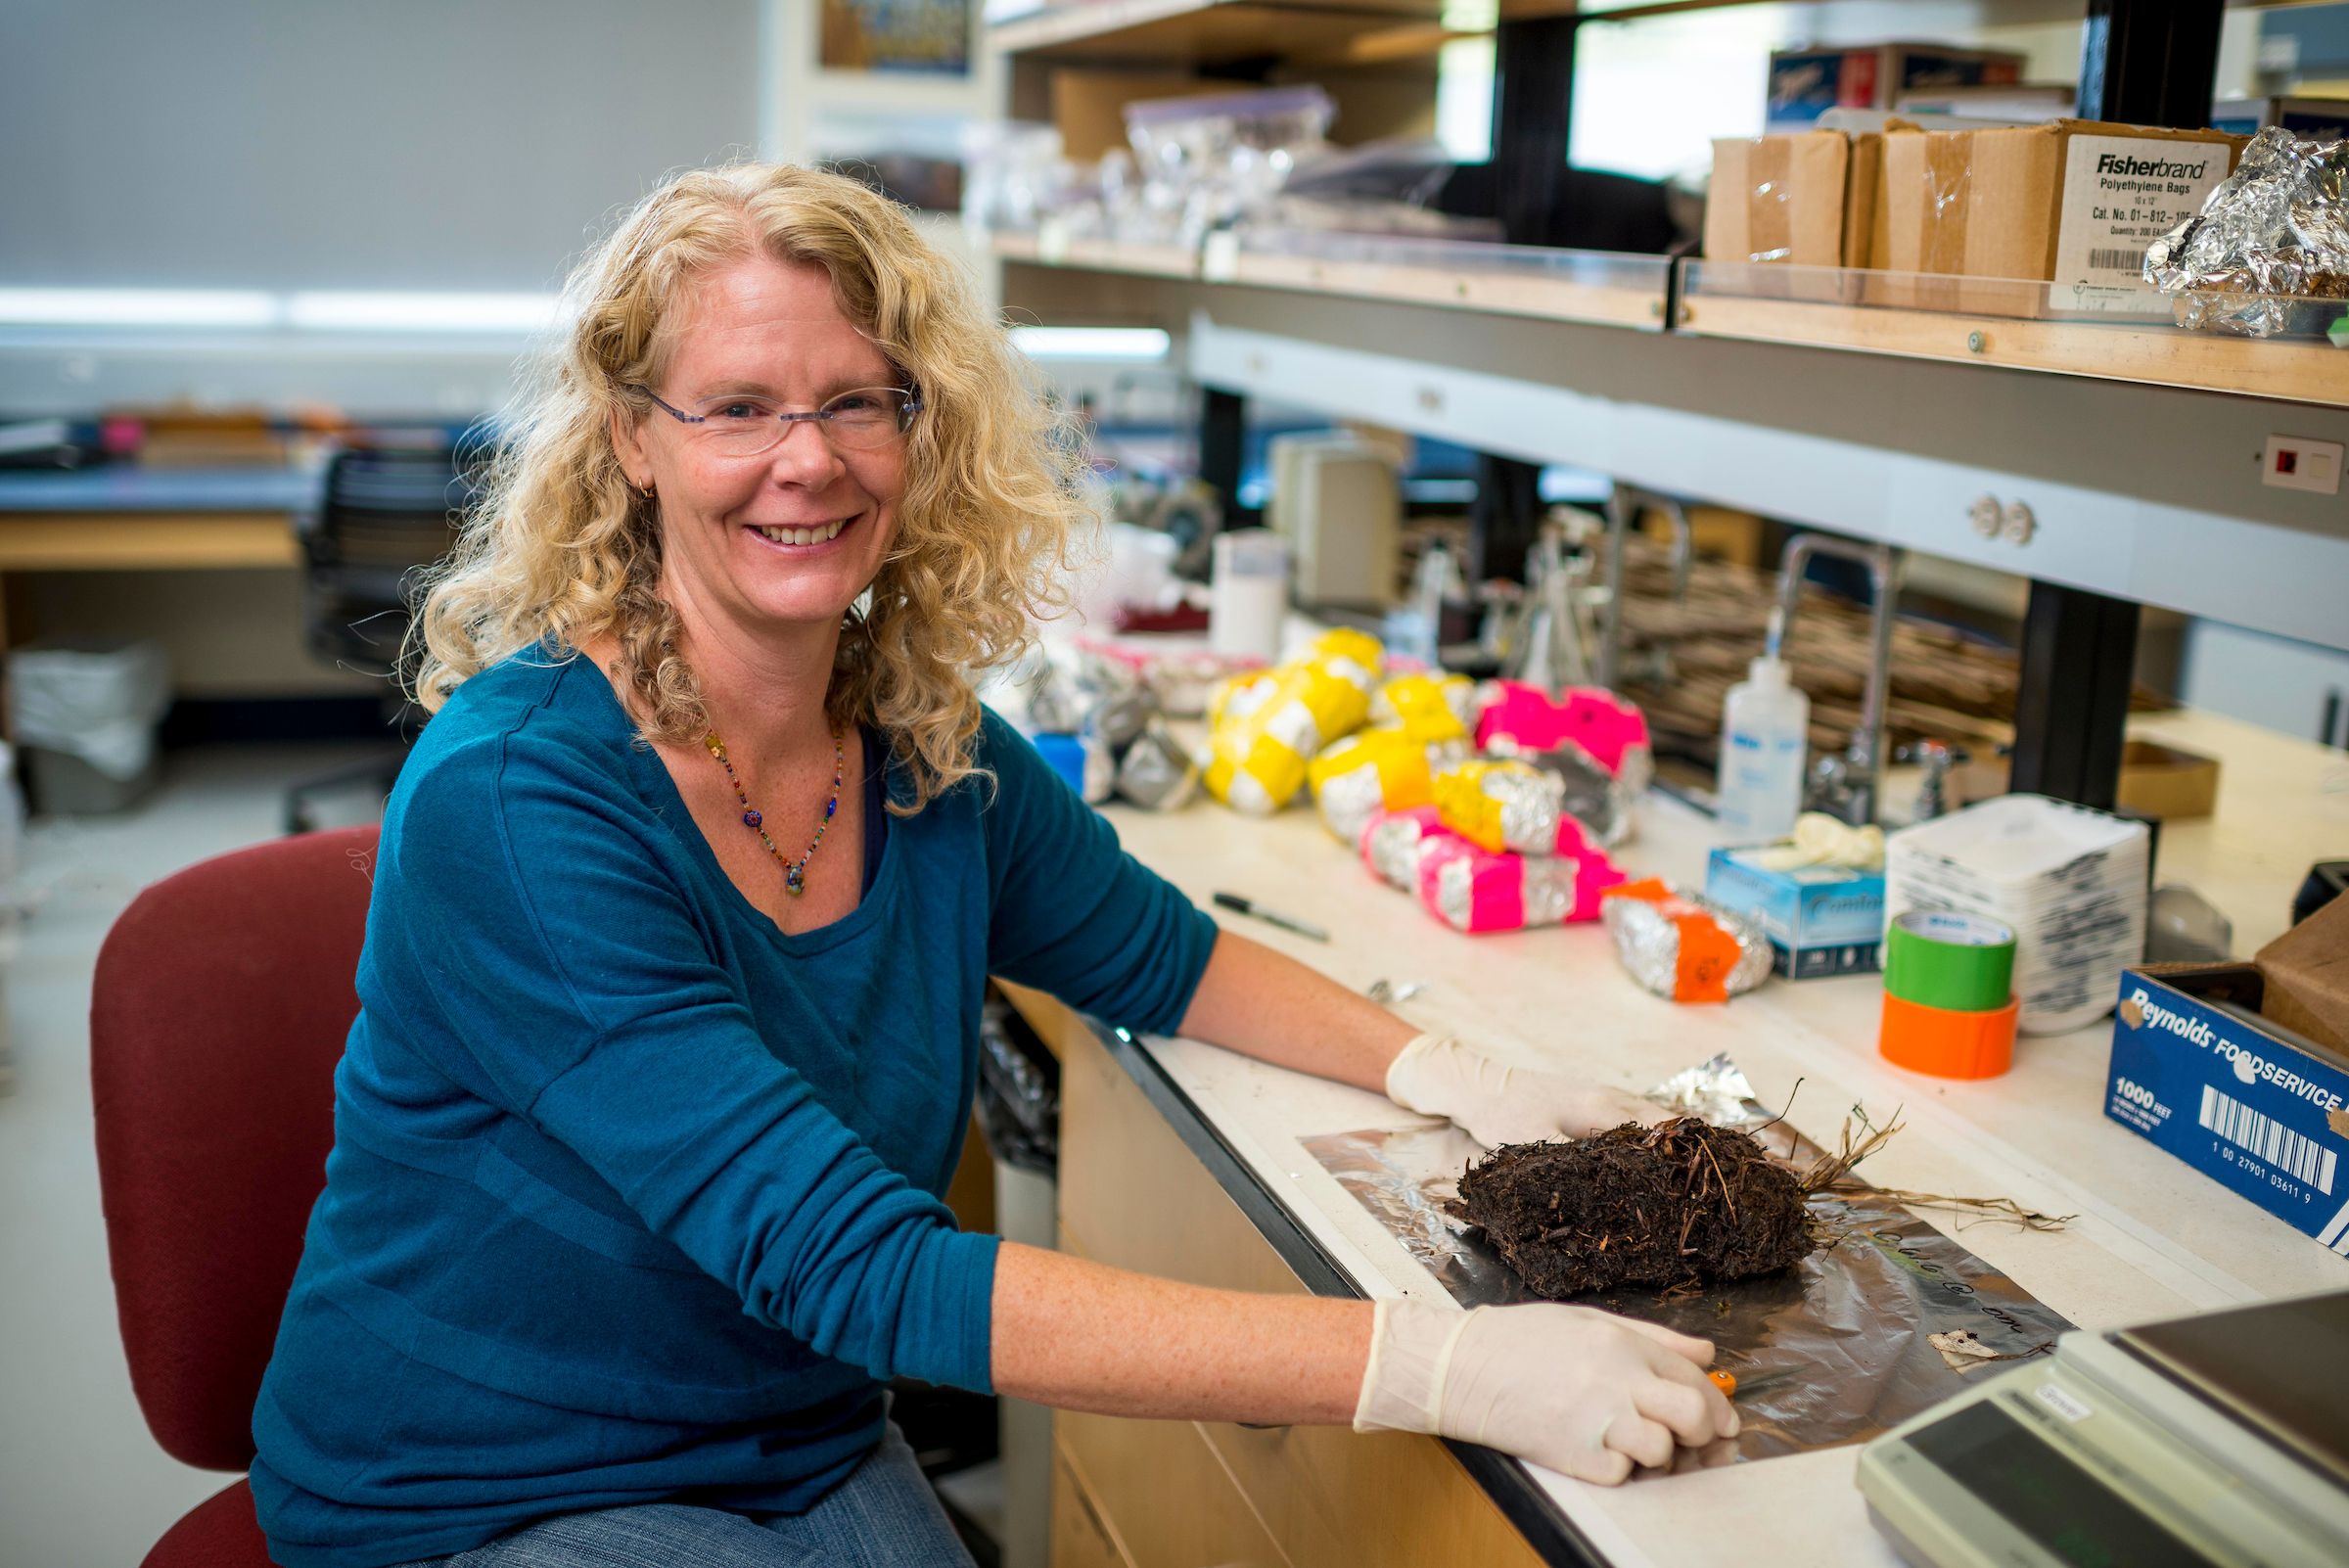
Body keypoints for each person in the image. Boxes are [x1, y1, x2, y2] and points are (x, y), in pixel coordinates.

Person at [249, 162, 1733, 1568]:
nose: (809, 458)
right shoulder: (521, 801)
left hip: (790, 1422)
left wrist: (1456, 1075)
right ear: (633, 438)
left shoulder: (914, 737)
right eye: (738, 407)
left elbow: (1164, 956)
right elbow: (862, 1270)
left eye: (857, 401)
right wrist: (1437, 1362)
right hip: (484, 1484)